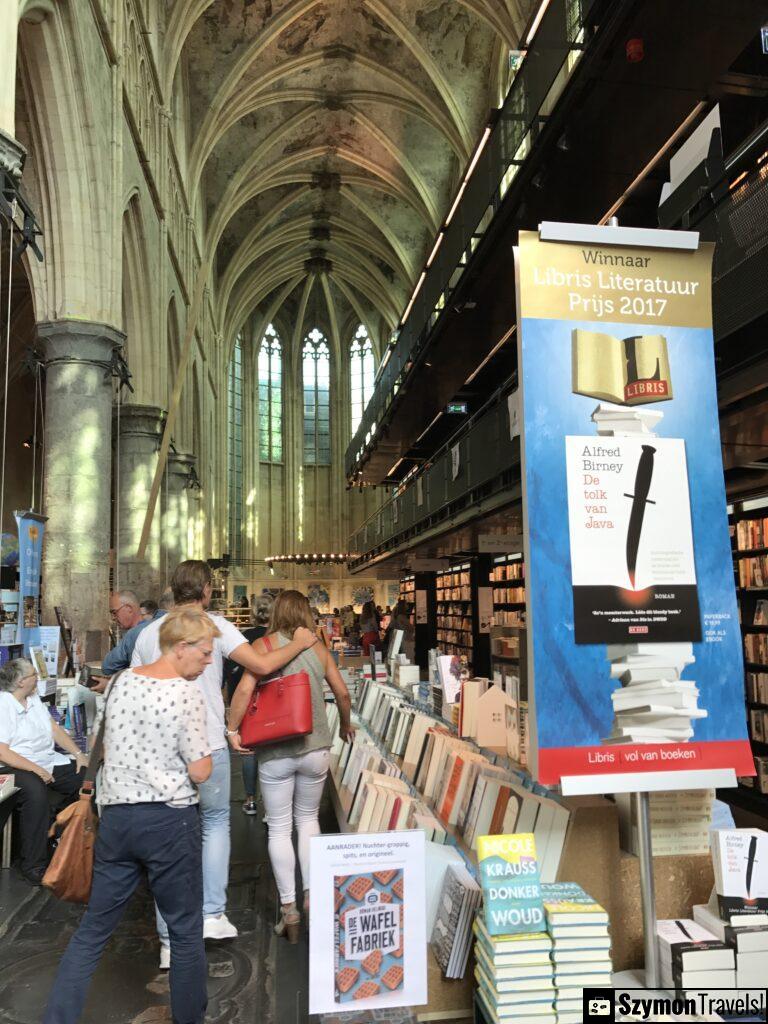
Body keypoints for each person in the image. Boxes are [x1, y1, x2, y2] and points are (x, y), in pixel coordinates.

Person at [131, 560, 317, 963]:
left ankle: (169, 940)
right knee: (214, 823)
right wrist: (301, 643)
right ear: (208, 590)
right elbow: (262, 666)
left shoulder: (148, 634)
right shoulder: (216, 626)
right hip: (210, 740)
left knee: (169, 838)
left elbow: (136, 689)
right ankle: (212, 914)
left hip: (162, 749)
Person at [42, 608, 216, 1024]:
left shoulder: (119, 682)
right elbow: (200, 769)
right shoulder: (185, 694)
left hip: (118, 820)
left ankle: (57, 1018)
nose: (209, 662)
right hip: (170, 822)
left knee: (93, 930)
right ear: (181, 647)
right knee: (185, 931)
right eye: (206, 653)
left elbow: (102, 743)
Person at [227, 590, 354, 942]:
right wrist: (345, 724)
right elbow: (342, 693)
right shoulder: (317, 648)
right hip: (316, 748)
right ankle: (313, 894)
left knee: (280, 828)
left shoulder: (265, 647)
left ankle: (289, 911)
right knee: (309, 820)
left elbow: (242, 691)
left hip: (276, 750)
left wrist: (232, 729)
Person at [0, 659, 88, 885]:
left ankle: (68, 843)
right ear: (21, 682)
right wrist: (36, 769)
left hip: (46, 760)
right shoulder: (4, 704)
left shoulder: (33, 698)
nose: (37, 678)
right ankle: (34, 865)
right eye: (33, 675)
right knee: (35, 791)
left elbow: (54, 728)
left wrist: (79, 754)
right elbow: (2, 752)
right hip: (14, 764)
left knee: (88, 778)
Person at [222, 595, 273, 816]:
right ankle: (272, 807)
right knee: (273, 753)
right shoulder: (276, 640)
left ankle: (250, 800)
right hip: (272, 701)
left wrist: (230, 706)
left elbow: (231, 676)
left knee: (248, 751)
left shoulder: (242, 639)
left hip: (246, 703)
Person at [100, 590, 162, 677]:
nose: (113, 618)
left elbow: (108, 667)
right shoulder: (156, 626)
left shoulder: (133, 634)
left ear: (129, 609)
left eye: (114, 613)